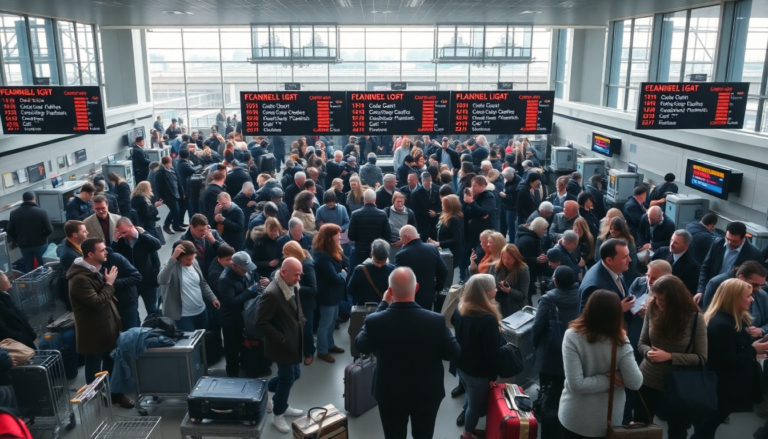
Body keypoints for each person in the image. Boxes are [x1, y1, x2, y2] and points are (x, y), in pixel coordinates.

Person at [356, 267, 460, 439]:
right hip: (427, 393)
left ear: (389, 291)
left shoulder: (375, 320)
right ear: (416, 287)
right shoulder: (436, 321)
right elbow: (454, 352)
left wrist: (383, 304)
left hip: (389, 393)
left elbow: (361, 345)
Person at [559, 289, 643, 439]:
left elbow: (576, 384)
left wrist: (604, 380)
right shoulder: (620, 341)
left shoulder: (572, 335)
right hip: (607, 420)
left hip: (573, 416)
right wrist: (612, 379)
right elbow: (635, 382)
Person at [632, 275, 705, 439]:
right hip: (648, 379)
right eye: (656, 298)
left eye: (662, 299)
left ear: (676, 299)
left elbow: (701, 357)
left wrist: (670, 356)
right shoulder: (653, 308)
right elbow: (642, 342)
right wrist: (647, 352)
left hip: (679, 384)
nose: (658, 303)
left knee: (677, 430)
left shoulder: (695, 318)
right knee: (641, 425)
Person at [67, 238, 134, 409]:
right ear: (90, 254)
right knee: (94, 369)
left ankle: (115, 395)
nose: (106, 252)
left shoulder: (93, 270)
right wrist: (109, 284)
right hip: (94, 333)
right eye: (102, 250)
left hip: (108, 329)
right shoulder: (79, 279)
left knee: (112, 364)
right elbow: (96, 302)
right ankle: (95, 397)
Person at [699, 278, 768, 439]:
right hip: (723, 389)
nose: (752, 299)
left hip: (721, 388)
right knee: (706, 428)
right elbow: (729, 361)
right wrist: (753, 350)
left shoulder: (727, 319)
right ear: (734, 298)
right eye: (748, 296)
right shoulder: (723, 325)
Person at [255, 257, 306, 433]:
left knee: (295, 374)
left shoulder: (292, 284)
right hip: (282, 345)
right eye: (296, 275)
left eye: (300, 274)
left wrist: (302, 321)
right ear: (283, 273)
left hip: (293, 342)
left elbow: (295, 308)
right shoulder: (272, 293)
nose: (299, 278)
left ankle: (270, 392)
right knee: (287, 379)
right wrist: (282, 338)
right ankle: (278, 414)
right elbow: (261, 323)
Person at [451, 274, 504, 439]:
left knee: (470, 396)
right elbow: (492, 354)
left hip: (461, 365)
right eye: (493, 287)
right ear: (485, 292)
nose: (496, 289)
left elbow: (453, 322)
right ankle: (467, 435)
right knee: (475, 406)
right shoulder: (487, 319)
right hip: (478, 372)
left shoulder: (461, 307)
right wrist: (492, 377)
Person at [532, 266, 579, 420]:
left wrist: (536, 343)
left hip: (550, 347)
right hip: (572, 345)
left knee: (545, 385)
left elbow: (538, 325)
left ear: (556, 281)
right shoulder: (580, 294)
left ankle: (544, 411)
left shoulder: (548, 298)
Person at [696, 221, 764, 304]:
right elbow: (705, 267)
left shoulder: (754, 255)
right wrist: (701, 290)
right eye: (728, 239)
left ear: (744, 238)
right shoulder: (718, 244)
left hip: (734, 298)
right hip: (712, 291)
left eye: (735, 241)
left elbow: (755, 282)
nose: (729, 243)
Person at [158, 241, 220, 330]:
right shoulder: (170, 266)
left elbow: (202, 283)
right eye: (188, 259)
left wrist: (212, 297)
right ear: (179, 257)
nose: (191, 261)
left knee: (203, 339)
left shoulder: (194, 262)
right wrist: (173, 258)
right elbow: (162, 280)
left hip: (200, 311)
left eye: (193, 258)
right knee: (190, 342)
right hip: (183, 316)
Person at [218, 251, 261, 377]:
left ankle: (247, 366)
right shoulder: (225, 280)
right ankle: (232, 373)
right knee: (232, 349)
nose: (246, 272)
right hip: (231, 320)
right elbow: (232, 302)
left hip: (246, 317)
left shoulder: (248, 271)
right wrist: (250, 290)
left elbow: (254, 282)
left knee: (247, 345)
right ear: (234, 265)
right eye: (243, 269)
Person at [312, 224, 349, 363]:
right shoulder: (322, 256)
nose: (340, 236)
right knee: (325, 323)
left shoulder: (333, 251)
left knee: (332, 321)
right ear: (329, 237)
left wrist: (343, 272)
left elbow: (347, 263)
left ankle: (330, 345)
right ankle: (322, 351)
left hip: (334, 294)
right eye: (337, 234)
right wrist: (344, 273)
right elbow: (335, 277)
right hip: (327, 295)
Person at [112, 217, 163, 317]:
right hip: (131, 283)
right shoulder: (121, 241)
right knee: (132, 311)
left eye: (125, 232)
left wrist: (141, 234)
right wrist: (114, 241)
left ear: (131, 227)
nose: (123, 235)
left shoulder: (143, 237)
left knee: (152, 309)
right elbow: (112, 257)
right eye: (121, 233)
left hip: (149, 282)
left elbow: (157, 244)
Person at [395, 225, 448, 312]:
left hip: (409, 296)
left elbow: (397, 277)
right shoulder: (432, 248)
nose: (401, 240)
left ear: (406, 237)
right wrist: (437, 287)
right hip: (428, 294)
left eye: (401, 237)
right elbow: (443, 270)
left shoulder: (401, 255)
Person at [281, 241, 317, 366]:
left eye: (286, 254)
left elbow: (313, 289)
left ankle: (308, 352)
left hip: (305, 305)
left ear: (293, 253)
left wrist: (294, 285)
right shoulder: (290, 264)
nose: (284, 256)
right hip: (292, 303)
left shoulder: (307, 265)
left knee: (306, 331)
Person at [580, 238, 634, 313]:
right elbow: (590, 318)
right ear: (609, 261)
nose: (630, 260)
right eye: (625, 257)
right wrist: (619, 309)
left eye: (628, 255)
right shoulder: (594, 287)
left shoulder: (616, 267)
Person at [7, 192, 53, 273]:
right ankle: (44, 284)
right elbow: (49, 229)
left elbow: (10, 230)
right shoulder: (41, 212)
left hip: (24, 245)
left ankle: (31, 284)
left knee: (29, 266)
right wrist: (43, 236)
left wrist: (17, 239)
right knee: (43, 265)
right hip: (40, 244)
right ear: (33, 199)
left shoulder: (14, 213)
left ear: (23, 200)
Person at [348, 189, 392, 267]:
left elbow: (351, 236)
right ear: (375, 199)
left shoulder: (355, 214)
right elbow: (387, 235)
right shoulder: (382, 214)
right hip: (377, 252)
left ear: (364, 199)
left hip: (360, 251)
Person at [651, 230, 700, 296]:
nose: (671, 244)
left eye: (676, 243)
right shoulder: (661, 251)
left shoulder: (692, 266)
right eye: (671, 240)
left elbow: (688, 291)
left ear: (686, 245)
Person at [347, 239, 395, 305]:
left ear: (372, 253)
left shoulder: (360, 270)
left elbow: (351, 290)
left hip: (364, 307)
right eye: (378, 262)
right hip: (385, 308)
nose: (379, 265)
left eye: (382, 262)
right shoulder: (393, 270)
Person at [488, 244, 531, 317]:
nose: (505, 261)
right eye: (503, 257)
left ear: (515, 258)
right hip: (497, 305)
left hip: (514, 309)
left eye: (509, 258)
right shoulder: (495, 267)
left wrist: (509, 291)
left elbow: (523, 295)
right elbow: (489, 283)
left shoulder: (523, 269)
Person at [595, 217, 640, 286]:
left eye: (616, 229)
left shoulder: (629, 243)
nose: (613, 231)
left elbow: (632, 264)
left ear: (622, 230)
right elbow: (597, 256)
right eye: (611, 228)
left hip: (624, 274)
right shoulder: (602, 239)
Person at [428, 194, 464, 280]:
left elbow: (457, 238)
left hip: (452, 253)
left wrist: (439, 243)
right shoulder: (444, 216)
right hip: (444, 251)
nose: (441, 205)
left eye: (443, 204)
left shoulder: (454, 219)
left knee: (447, 275)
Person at [0, 271, 37, 349]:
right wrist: (21, 338)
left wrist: (29, 333)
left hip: (23, 340)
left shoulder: (5, 296)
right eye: (5, 276)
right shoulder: (3, 300)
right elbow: (3, 330)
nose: (8, 278)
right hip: (17, 345)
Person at [517, 217, 549, 302]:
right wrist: (536, 260)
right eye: (544, 229)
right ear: (538, 228)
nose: (545, 232)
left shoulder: (533, 236)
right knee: (528, 294)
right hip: (528, 271)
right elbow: (522, 258)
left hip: (531, 271)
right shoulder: (528, 241)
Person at [58, 220, 89, 309]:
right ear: (75, 235)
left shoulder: (69, 242)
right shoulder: (70, 255)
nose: (87, 232)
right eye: (84, 231)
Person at [182, 214, 224, 279]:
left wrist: (214, 242)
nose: (204, 233)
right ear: (191, 227)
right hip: (197, 277)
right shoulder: (183, 241)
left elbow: (227, 251)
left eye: (205, 229)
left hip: (213, 275)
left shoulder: (213, 234)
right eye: (201, 230)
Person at [157, 156, 186, 234]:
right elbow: (159, 186)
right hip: (168, 195)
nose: (171, 164)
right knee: (175, 210)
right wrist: (161, 197)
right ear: (167, 163)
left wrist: (182, 192)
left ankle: (176, 226)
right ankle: (166, 225)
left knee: (177, 210)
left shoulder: (172, 169)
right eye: (170, 162)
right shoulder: (160, 173)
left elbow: (178, 181)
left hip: (176, 193)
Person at [500, 167, 521, 243]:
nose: (504, 179)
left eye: (506, 177)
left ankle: (512, 241)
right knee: (505, 223)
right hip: (505, 205)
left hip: (512, 208)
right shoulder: (508, 180)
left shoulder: (518, 183)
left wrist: (505, 196)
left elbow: (516, 199)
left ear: (511, 176)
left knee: (511, 225)